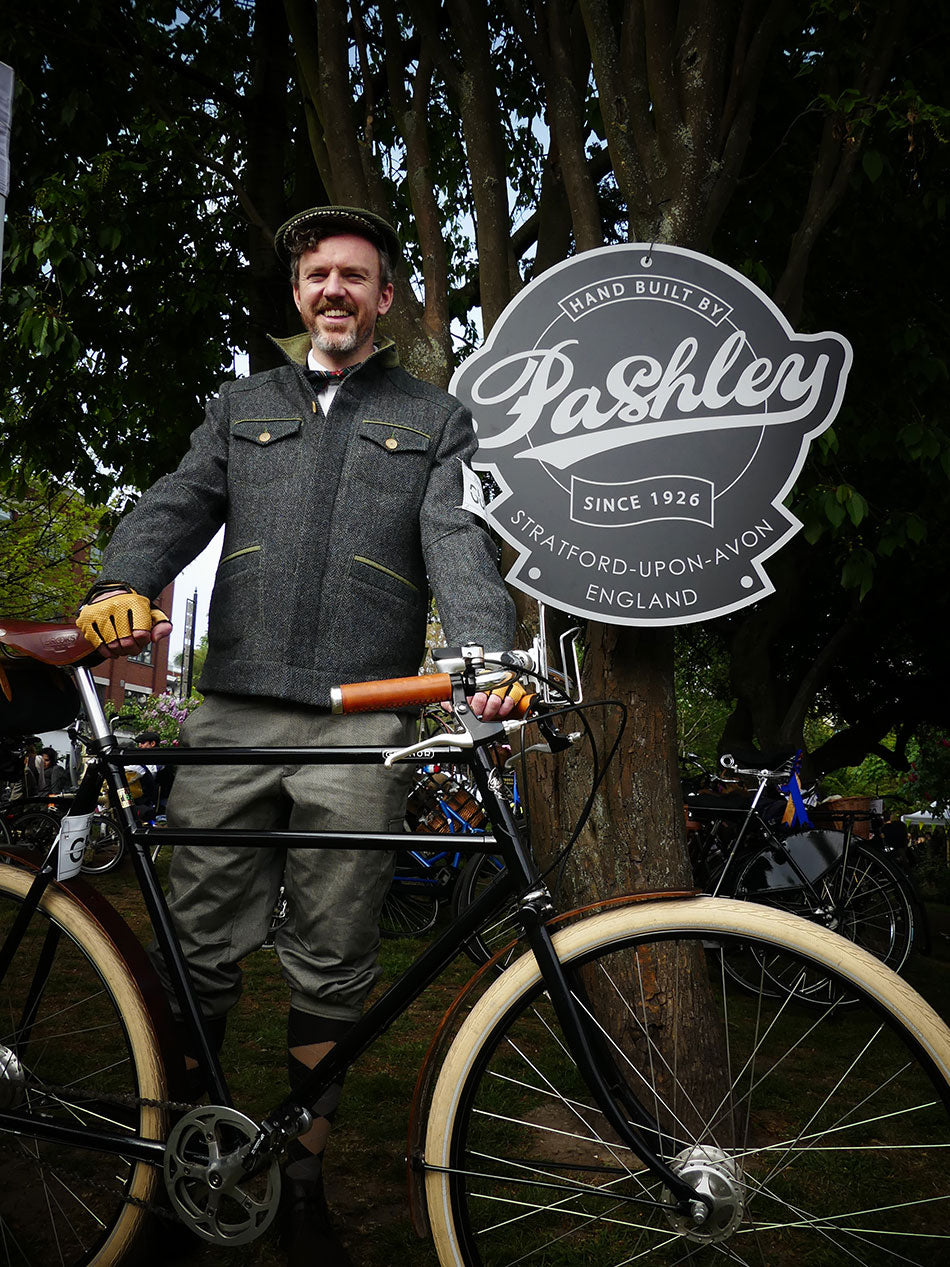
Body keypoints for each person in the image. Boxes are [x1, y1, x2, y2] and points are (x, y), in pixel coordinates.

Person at [75, 205, 516, 1266]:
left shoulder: (433, 415)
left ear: (385, 299)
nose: (334, 291)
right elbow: (178, 501)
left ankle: (302, 1173)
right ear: (297, 294)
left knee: (332, 960)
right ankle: (189, 1169)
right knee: (194, 952)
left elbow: (455, 537)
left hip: (364, 720)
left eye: (355, 277)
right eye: (318, 274)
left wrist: (487, 655)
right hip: (230, 708)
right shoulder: (241, 405)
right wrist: (121, 579)